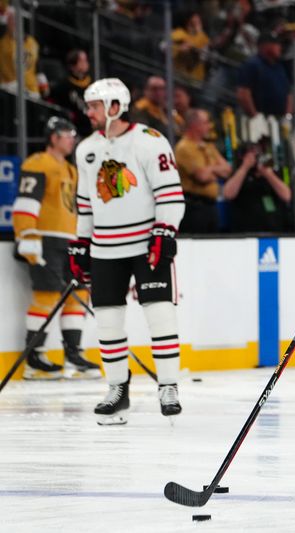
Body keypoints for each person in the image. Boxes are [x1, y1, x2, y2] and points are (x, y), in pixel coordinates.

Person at [68, 78, 186, 425]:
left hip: (146, 244)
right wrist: (79, 244)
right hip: (105, 247)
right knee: (106, 320)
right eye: (88, 107)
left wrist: (165, 232)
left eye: (94, 106)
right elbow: (85, 204)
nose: (88, 112)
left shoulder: (149, 142)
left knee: (160, 313)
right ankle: (117, 390)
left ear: (115, 107)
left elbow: (170, 193)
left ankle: (168, 387)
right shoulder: (85, 148)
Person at [11, 116, 100, 380]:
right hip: (46, 240)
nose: (72, 139)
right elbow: (26, 202)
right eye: (67, 134)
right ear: (54, 137)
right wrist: (27, 235)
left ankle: (73, 353)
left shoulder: (72, 170)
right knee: (48, 297)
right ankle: (34, 357)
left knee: (79, 296)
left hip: (71, 241)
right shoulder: (39, 163)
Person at [174, 108, 231, 233]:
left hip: (211, 206)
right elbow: (202, 177)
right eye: (206, 122)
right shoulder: (184, 148)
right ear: (195, 125)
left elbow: (227, 169)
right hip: (194, 208)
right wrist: (215, 171)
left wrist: (210, 169)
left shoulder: (208, 146)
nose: (209, 126)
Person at [223, 142, 292, 232]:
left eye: (258, 154)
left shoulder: (272, 173)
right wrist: (245, 167)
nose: (255, 158)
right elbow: (228, 194)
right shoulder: (238, 174)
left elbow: (287, 196)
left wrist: (268, 174)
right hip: (246, 232)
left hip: (274, 230)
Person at [49, 49, 93, 137]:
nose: (85, 63)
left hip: (91, 128)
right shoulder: (63, 85)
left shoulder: (93, 84)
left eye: (86, 60)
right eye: (82, 61)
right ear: (73, 66)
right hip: (72, 132)